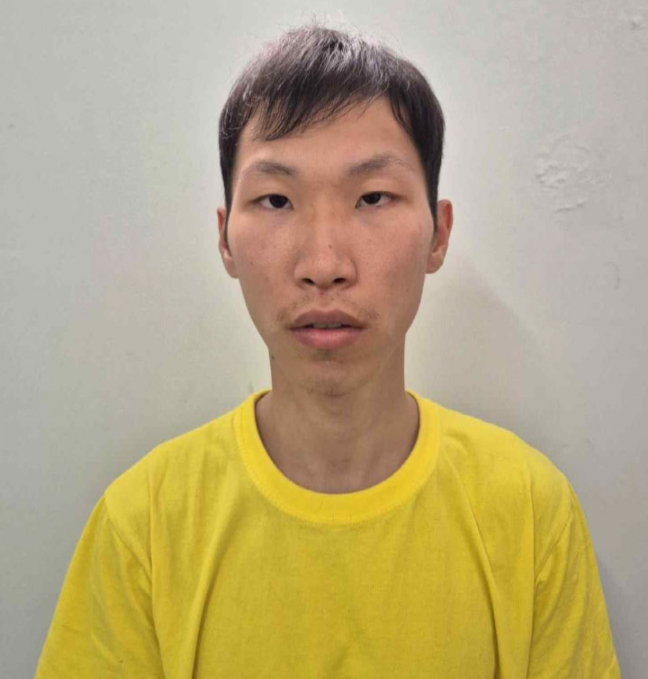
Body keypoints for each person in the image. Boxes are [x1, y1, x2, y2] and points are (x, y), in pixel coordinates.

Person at [35, 22, 621, 678]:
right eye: (276, 200)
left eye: (372, 197)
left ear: (438, 233)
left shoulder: (531, 512)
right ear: (225, 240)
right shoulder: (142, 525)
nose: (324, 265)